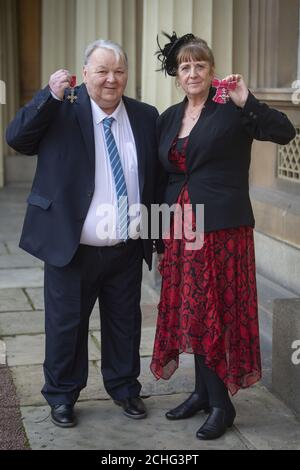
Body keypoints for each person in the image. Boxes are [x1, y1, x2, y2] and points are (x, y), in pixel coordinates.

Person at [6, 39, 161, 427]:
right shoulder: (62, 108)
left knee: (125, 324)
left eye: (119, 71)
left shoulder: (144, 116)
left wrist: (158, 234)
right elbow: (17, 139)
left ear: (127, 75)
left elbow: (154, 180)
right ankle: (61, 395)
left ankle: (125, 388)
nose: (112, 79)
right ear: (86, 73)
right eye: (102, 71)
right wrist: (47, 95)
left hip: (125, 246)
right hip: (72, 247)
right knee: (66, 327)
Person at [150, 32, 296, 440]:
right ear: (177, 75)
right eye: (185, 66)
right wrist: (158, 231)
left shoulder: (230, 108)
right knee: (191, 310)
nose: (193, 72)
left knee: (213, 310)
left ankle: (222, 404)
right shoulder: (169, 117)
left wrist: (247, 99)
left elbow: (284, 132)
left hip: (221, 229)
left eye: (200, 65)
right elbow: (164, 174)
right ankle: (201, 392)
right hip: (181, 229)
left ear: (212, 70)